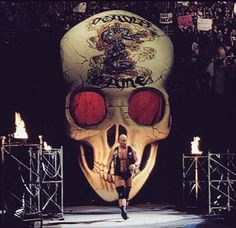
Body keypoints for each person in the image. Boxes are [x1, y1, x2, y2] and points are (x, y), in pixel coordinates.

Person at [106, 134, 139, 220]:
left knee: (127, 194)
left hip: (128, 174)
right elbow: (109, 162)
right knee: (121, 193)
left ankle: (124, 208)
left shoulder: (132, 149)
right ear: (119, 141)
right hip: (118, 174)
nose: (124, 142)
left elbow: (137, 160)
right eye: (123, 140)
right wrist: (108, 173)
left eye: (125, 140)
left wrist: (134, 165)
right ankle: (123, 211)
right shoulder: (115, 150)